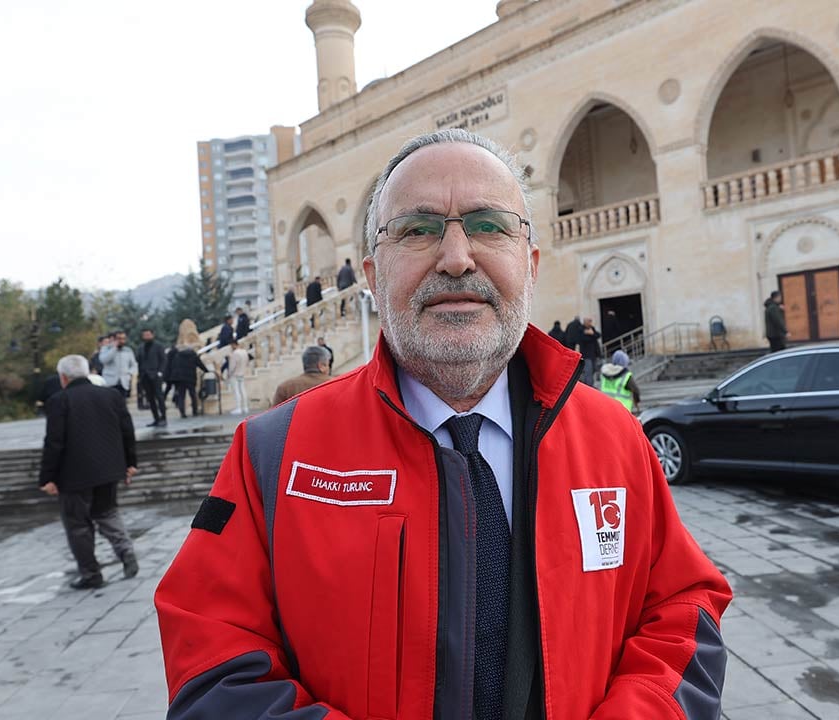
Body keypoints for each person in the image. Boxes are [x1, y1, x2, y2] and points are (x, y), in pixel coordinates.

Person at [155, 129, 730, 720]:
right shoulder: (273, 454)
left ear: (530, 266)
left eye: (488, 225)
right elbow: (213, 667)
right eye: (417, 230)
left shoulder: (615, 439)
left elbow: (683, 608)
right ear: (373, 276)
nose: (456, 258)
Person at [38, 354, 139, 590]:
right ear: (87, 372)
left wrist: (47, 477)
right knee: (108, 513)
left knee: (78, 525)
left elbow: (54, 442)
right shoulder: (111, 395)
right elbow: (127, 430)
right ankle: (126, 551)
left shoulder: (59, 401)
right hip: (109, 469)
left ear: (63, 377)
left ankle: (91, 573)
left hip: (74, 475)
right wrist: (130, 463)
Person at [168, 343, 213, 418]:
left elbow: (173, 366)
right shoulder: (193, 355)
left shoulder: (178, 355)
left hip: (180, 378)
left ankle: (182, 412)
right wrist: (206, 371)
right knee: (193, 395)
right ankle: (194, 411)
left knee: (181, 396)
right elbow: (199, 364)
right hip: (190, 377)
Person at [137, 329, 168, 427]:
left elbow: (163, 360)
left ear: (152, 335)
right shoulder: (141, 347)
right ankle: (156, 418)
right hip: (145, 376)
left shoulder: (158, 346)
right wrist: (140, 375)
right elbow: (139, 361)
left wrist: (160, 372)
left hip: (155, 375)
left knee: (159, 397)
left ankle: (163, 418)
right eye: (145, 335)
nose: (147, 337)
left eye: (148, 334)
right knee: (150, 398)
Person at [99, 330, 137, 398]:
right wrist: (114, 348)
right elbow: (103, 360)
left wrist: (129, 373)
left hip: (124, 383)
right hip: (110, 383)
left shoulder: (128, 350)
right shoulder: (106, 348)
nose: (122, 341)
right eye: (119, 338)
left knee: (122, 403)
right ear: (113, 339)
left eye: (123, 339)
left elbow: (134, 365)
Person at [226, 341, 251, 414]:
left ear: (234, 345)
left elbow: (232, 366)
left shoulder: (235, 353)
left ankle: (238, 408)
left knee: (236, 391)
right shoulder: (244, 352)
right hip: (242, 373)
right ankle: (245, 407)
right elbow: (247, 362)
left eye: (231, 346)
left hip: (235, 374)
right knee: (243, 390)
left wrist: (229, 373)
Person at [577, 316, 602, 387]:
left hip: (594, 354)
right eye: (589, 321)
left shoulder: (592, 329)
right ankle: (589, 386)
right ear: (585, 322)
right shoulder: (581, 329)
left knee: (594, 370)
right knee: (588, 372)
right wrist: (591, 335)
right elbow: (583, 339)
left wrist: (592, 334)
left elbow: (598, 335)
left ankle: (590, 385)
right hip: (586, 355)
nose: (590, 323)